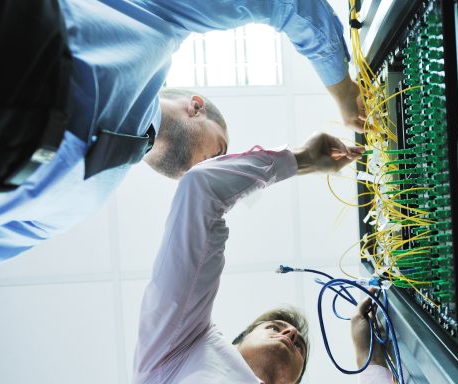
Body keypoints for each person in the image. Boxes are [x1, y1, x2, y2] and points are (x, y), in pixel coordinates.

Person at [0, 0, 366, 278]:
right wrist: (344, 91)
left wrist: (300, 162)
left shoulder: (77, 207)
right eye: (221, 148)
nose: (221, 162)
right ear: (196, 106)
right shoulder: (152, 16)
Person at [133, 131, 396, 383]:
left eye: (296, 343)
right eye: (275, 328)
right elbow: (200, 187)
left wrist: (304, 159)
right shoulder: (173, 354)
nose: (291, 333)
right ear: (237, 343)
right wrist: (368, 357)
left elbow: (201, 190)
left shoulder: (176, 354)